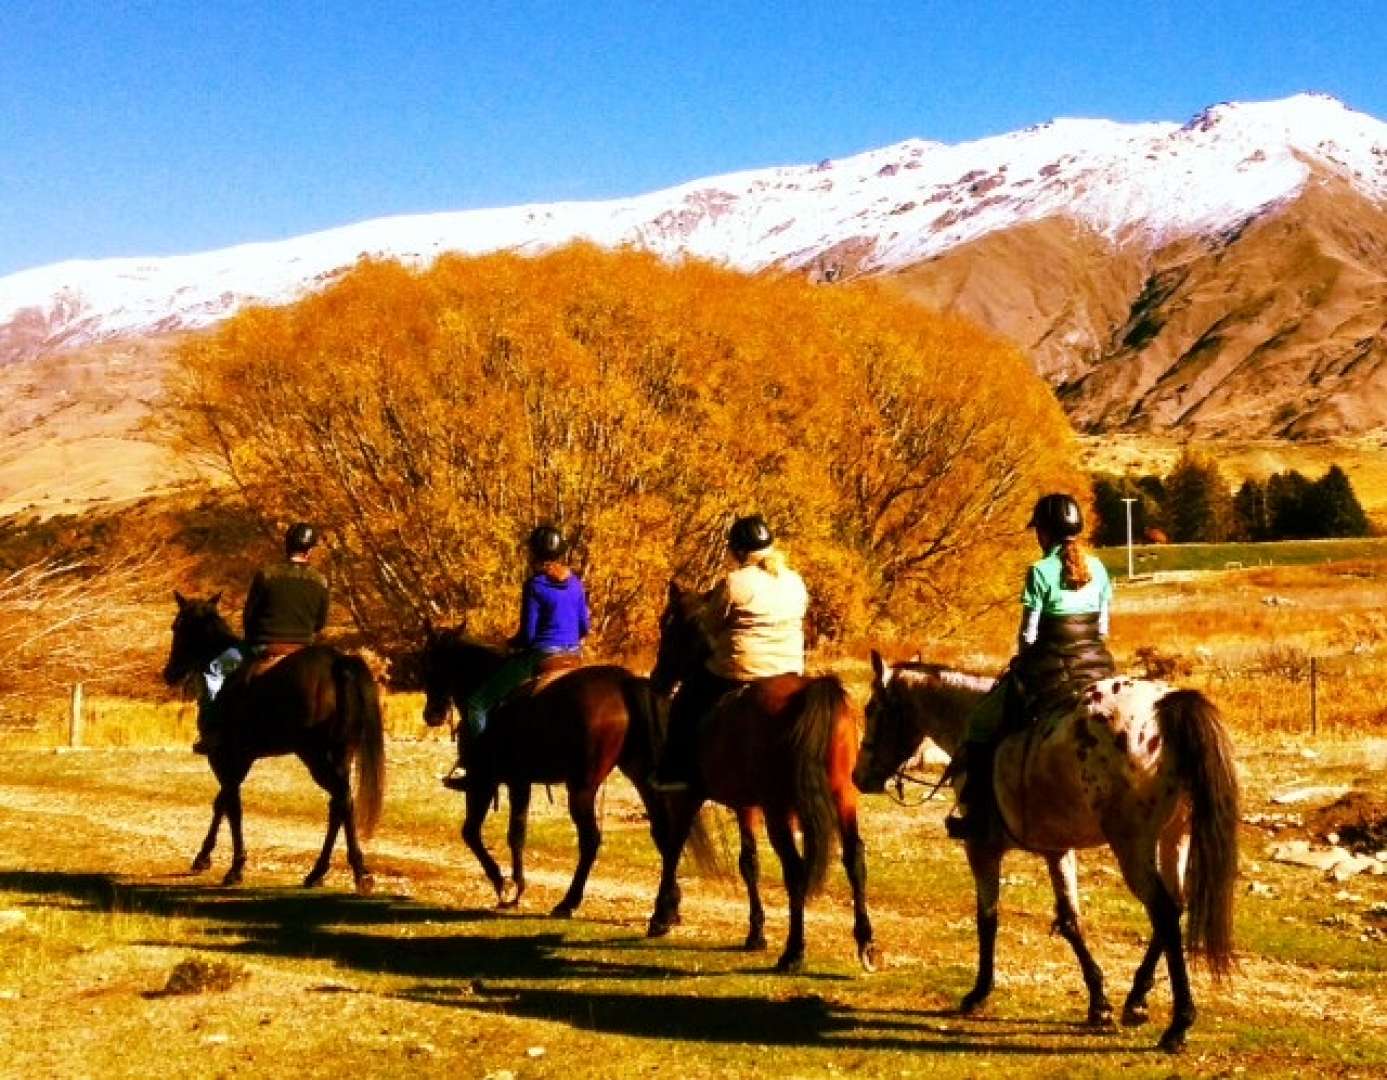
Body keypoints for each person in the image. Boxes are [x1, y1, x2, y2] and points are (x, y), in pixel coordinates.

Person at [944, 493, 1115, 841]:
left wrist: (1024, 658)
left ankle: (977, 815)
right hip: (1098, 666)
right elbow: (1102, 629)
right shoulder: (1097, 567)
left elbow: (1029, 633)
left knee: (979, 723)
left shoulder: (1039, 571)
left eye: (1038, 530)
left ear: (1045, 533)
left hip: (1052, 669)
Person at [651, 514, 809, 792]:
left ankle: (676, 773)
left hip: (741, 669)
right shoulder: (795, 581)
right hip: (790, 667)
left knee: (686, 703)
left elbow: (709, 626)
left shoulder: (734, 582)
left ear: (737, 551)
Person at [442, 524, 590, 791]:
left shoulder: (534, 585)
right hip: (575, 658)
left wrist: (506, 644)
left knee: (476, 704)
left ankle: (481, 767)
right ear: (561, 553)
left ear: (533, 554)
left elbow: (529, 636)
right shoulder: (576, 584)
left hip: (542, 656)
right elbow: (584, 628)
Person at [192, 522, 330, 755]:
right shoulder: (321, 580)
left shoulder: (266, 575)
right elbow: (320, 623)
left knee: (214, 671)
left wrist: (252, 638)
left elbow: (250, 615)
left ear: (287, 546)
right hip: (303, 649)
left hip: (263, 646)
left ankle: (211, 733)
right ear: (310, 551)